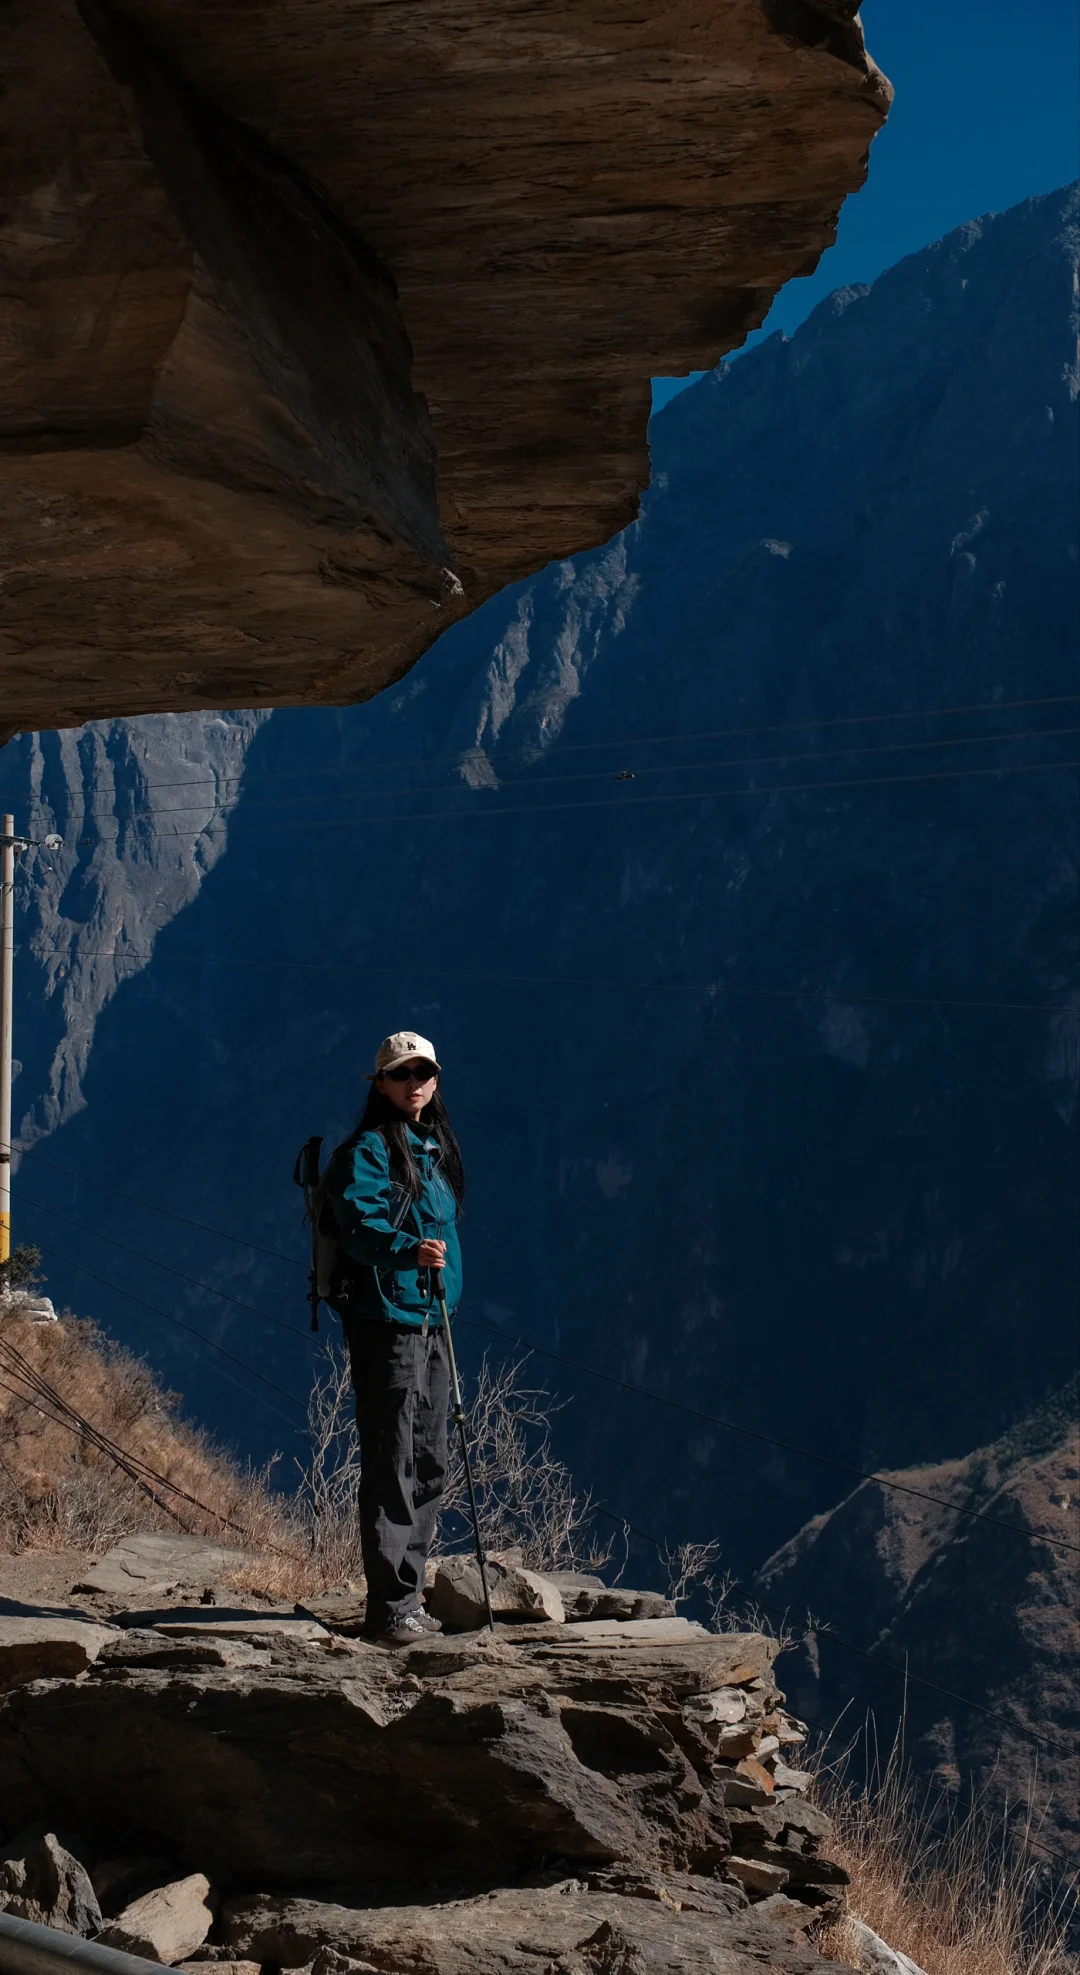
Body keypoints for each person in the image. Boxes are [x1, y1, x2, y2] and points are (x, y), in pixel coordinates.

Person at [320, 1030, 464, 1647]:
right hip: (386, 1320)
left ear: (435, 1080)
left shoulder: (431, 1148)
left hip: (431, 1316)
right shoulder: (368, 1151)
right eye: (401, 1074)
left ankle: (409, 1596)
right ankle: (389, 1609)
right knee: (393, 1460)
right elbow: (358, 1228)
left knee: (429, 1459)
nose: (414, 1084)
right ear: (380, 1083)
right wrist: (409, 1251)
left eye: (423, 1073)